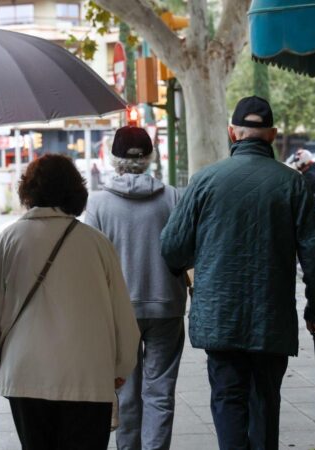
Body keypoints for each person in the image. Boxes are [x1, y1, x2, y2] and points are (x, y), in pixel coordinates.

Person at [160, 96, 315, 450]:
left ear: (232, 133)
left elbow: (172, 247)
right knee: (265, 403)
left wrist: (193, 262)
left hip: (219, 318)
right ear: (271, 135)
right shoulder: (292, 184)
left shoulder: (204, 181)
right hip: (271, 319)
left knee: (227, 399)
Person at [0, 154, 140, 450]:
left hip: (26, 374)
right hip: (87, 374)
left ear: (28, 191)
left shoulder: (10, 239)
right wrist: (122, 366)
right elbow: (122, 314)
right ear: (76, 191)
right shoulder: (97, 243)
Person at [85, 126, 186, 450]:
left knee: (125, 392)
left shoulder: (97, 204)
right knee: (160, 391)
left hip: (118, 312)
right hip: (166, 306)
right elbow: (185, 249)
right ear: (149, 157)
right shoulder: (172, 197)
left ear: (114, 160)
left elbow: (91, 263)